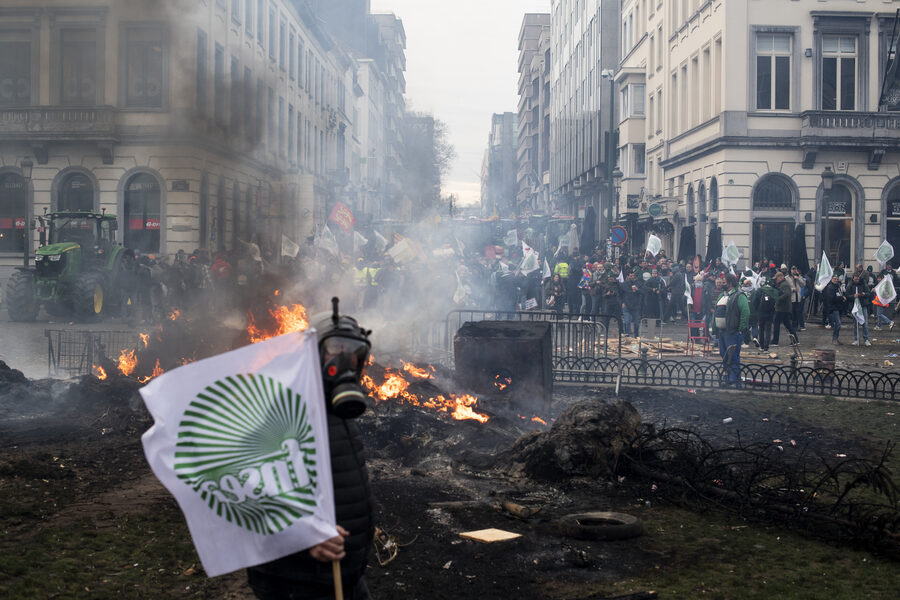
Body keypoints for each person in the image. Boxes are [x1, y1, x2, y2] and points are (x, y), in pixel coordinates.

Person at [247, 307, 375, 600]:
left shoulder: (336, 406)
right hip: (297, 580)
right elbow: (244, 486)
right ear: (313, 353)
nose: (344, 359)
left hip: (344, 577)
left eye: (352, 351)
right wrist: (302, 535)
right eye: (334, 349)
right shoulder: (281, 406)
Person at [711, 274, 749, 386]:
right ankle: (727, 378)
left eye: (724, 282)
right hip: (722, 332)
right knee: (724, 356)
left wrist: (741, 329)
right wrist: (715, 330)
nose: (722, 284)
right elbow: (716, 313)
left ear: (730, 283)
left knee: (733, 357)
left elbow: (745, 312)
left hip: (732, 332)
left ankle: (736, 382)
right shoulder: (722, 295)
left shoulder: (739, 295)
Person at [771, 272, 799, 347]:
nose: (776, 280)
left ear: (780, 278)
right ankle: (795, 340)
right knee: (788, 325)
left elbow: (786, 294)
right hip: (784, 308)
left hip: (782, 308)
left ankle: (775, 341)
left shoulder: (784, 285)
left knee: (777, 324)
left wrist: (777, 299)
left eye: (776, 279)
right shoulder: (783, 284)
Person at [753, 277, 779, 352]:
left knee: (761, 329)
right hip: (770, 313)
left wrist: (757, 309)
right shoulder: (773, 291)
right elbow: (779, 296)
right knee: (768, 330)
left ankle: (761, 346)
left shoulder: (759, 290)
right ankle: (766, 347)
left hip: (760, 313)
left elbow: (754, 302)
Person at [846, 272, 871, 346]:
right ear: (853, 278)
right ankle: (856, 339)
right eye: (855, 279)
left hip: (863, 305)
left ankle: (866, 339)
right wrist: (853, 296)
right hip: (855, 306)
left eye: (858, 278)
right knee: (855, 324)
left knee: (865, 323)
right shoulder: (850, 285)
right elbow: (847, 295)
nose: (857, 280)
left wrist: (864, 294)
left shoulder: (864, 284)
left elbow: (869, 293)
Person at [822, 273, 846, 345]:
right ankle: (834, 339)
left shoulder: (837, 286)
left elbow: (840, 294)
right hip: (833, 308)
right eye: (834, 279)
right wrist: (841, 298)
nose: (836, 280)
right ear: (831, 279)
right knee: (838, 324)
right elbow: (832, 298)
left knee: (838, 324)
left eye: (837, 279)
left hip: (838, 307)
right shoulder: (830, 287)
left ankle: (836, 338)